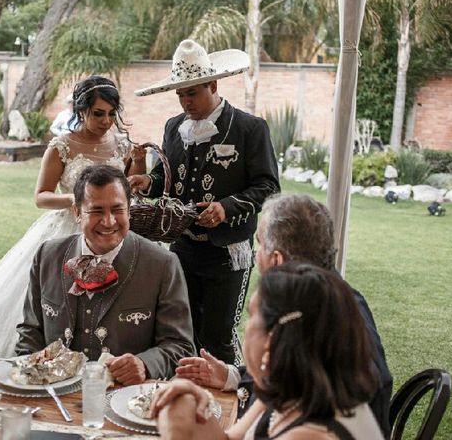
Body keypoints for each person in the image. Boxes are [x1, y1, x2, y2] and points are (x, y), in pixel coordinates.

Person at [174, 194, 393, 437]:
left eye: (258, 244)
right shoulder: (320, 309)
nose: (247, 329)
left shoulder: (337, 333)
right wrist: (231, 376)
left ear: (277, 260)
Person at [0, 76, 146, 359]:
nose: (106, 121)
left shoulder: (121, 146)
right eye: (98, 114)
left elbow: (128, 189)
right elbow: (41, 196)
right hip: (67, 229)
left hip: (109, 231)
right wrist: (77, 200)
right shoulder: (62, 146)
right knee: (61, 299)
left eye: (111, 114)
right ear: (81, 111)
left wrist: (140, 164)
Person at [129, 39, 280, 364]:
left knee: (218, 336)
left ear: (213, 84)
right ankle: (186, 398)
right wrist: (147, 182)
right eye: (180, 94)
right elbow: (166, 180)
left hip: (227, 251)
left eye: (192, 93)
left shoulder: (248, 128)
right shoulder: (173, 127)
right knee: (181, 331)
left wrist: (226, 208)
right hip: (182, 247)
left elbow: (268, 187)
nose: (185, 102)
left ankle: (228, 404)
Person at [151, 262, 383, 440]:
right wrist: (191, 397)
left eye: (253, 317)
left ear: (272, 339)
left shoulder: (312, 434)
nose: (246, 327)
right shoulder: (290, 385)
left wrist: (177, 432)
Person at [15, 165, 195, 384]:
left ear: (130, 210)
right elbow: (30, 332)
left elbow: (181, 347)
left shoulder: (162, 265)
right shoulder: (47, 256)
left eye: (118, 210)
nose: (109, 221)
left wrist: (145, 364)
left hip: (124, 400)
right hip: (53, 393)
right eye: (97, 210)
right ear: (77, 212)